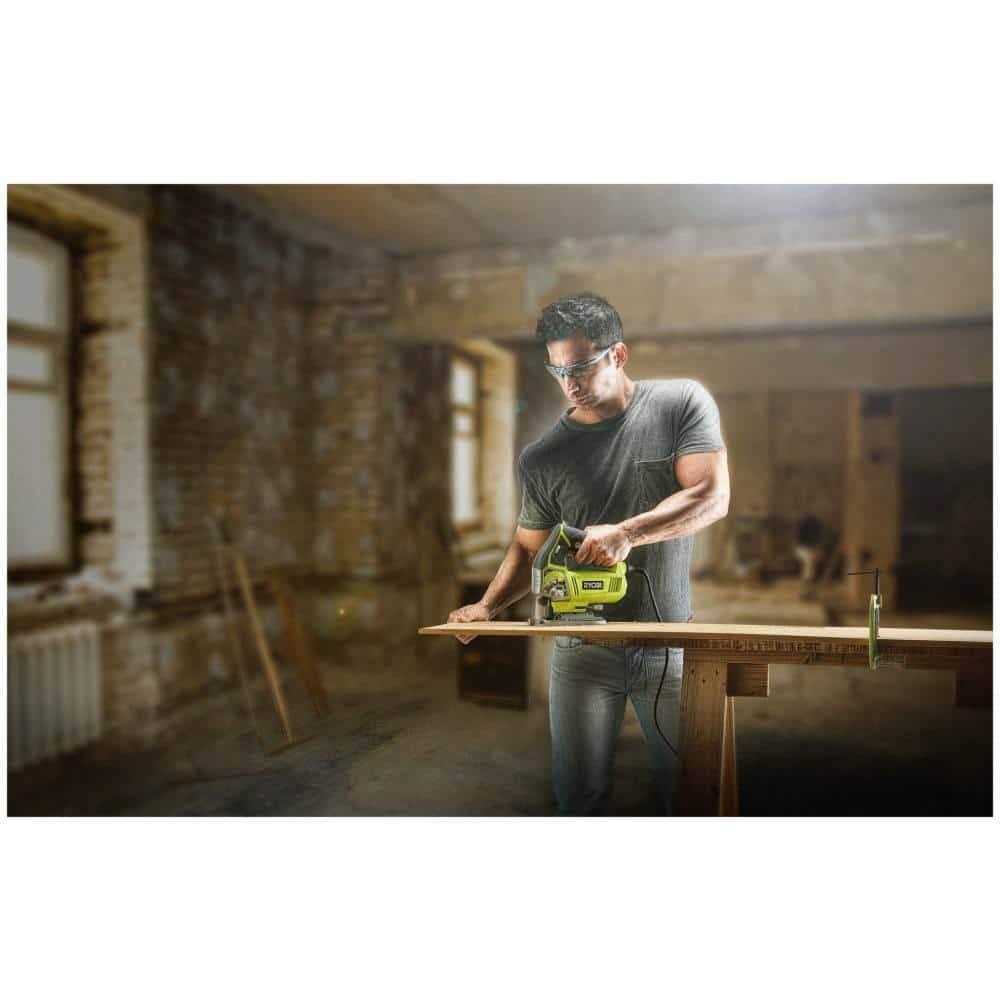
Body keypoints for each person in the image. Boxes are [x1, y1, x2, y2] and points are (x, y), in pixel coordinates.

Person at [447, 292, 730, 815]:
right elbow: (528, 548)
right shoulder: (542, 457)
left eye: (579, 366)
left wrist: (627, 533)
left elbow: (712, 496)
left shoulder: (680, 405)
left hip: (668, 645)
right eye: (558, 371)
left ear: (618, 355)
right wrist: (487, 607)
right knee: (579, 803)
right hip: (581, 653)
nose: (569, 383)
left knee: (691, 798)